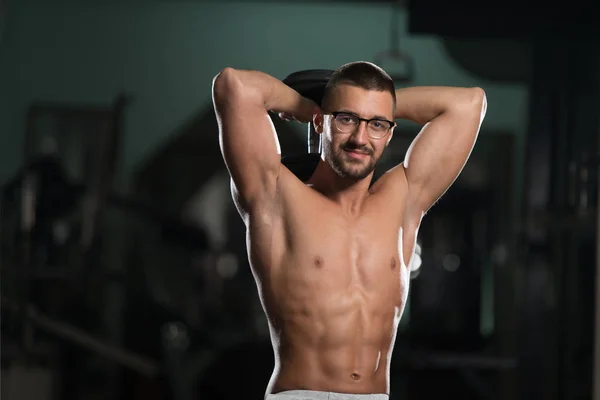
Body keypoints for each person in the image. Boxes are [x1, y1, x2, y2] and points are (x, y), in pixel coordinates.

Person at [211, 61, 487, 400]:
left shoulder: (403, 201)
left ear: (389, 132)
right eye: (346, 119)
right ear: (320, 121)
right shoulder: (276, 197)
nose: (360, 138)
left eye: (376, 125)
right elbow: (234, 85)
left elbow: (469, 103)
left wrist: (366, 107)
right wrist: (312, 104)